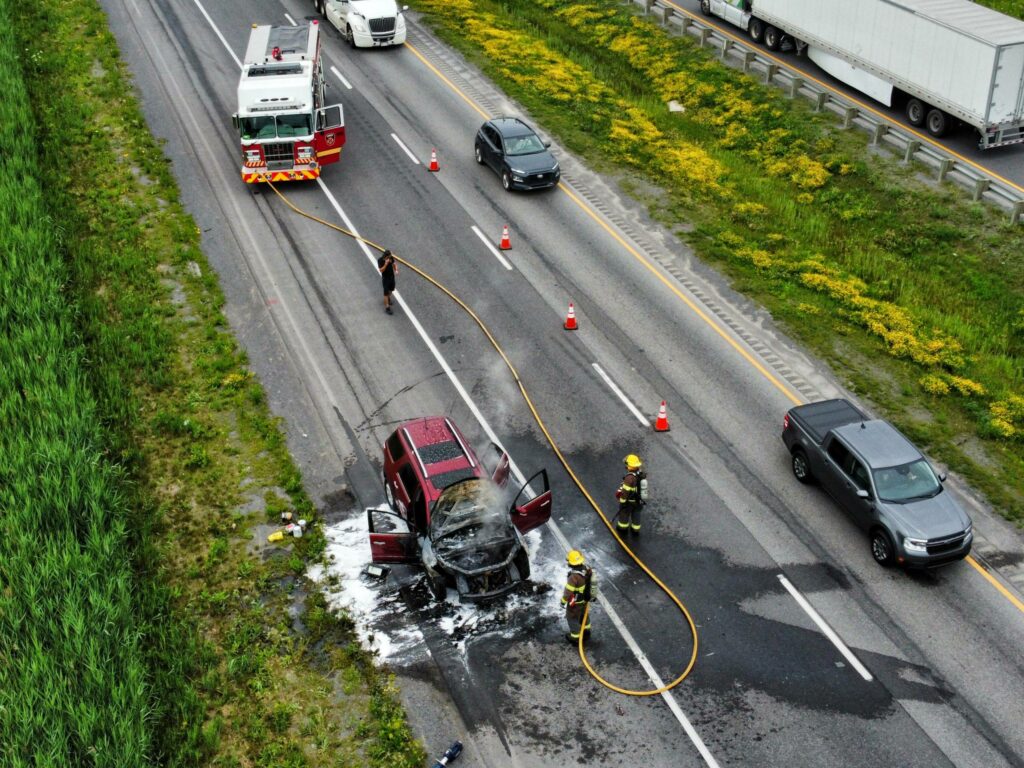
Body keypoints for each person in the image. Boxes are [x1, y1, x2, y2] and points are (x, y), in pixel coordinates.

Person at [561, 550, 595, 645]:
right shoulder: (586, 570)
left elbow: (568, 592)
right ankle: (586, 632)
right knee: (584, 615)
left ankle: (576, 637)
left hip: (575, 603)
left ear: (571, 563)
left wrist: (563, 601)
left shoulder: (574, 577)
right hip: (585, 600)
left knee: (572, 618)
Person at [616, 454, 647, 535]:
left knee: (624, 514)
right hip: (639, 501)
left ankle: (622, 528)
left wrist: (622, 502)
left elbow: (625, 491)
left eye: (627, 464)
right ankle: (635, 529)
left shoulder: (629, 478)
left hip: (629, 501)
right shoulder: (640, 474)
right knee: (636, 515)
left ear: (630, 465)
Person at [378, 249, 398, 314]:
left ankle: (388, 298)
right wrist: (386, 264)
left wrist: (396, 270)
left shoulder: (390, 258)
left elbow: (394, 264)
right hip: (385, 278)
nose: (390, 257)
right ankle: (387, 307)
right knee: (386, 292)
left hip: (391, 276)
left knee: (392, 288)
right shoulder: (380, 260)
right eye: (389, 256)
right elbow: (381, 270)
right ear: (386, 256)